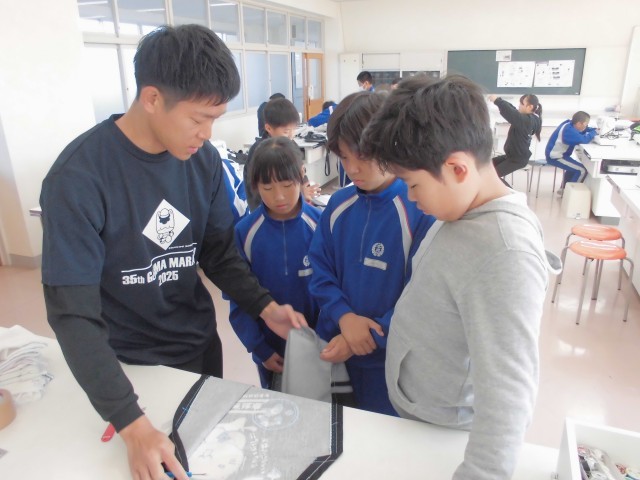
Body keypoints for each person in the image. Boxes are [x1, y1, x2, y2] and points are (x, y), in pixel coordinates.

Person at [40, 25, 306, 480]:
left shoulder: (201, 161)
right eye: (199, 118)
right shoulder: (79, 178)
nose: (207, 134)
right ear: (152, 98)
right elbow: (72, 315)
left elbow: (218, 252)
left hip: (198, 347)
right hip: (126, 368)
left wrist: (263, 307)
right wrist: (130, 422)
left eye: (215, 119)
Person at [360, 75, 550, 479]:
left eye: (413, 184)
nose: (411, 197)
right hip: (421, 416)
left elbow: (508, 394)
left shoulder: (505, 253)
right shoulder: (461, 209)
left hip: (447, 434)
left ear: (457, 168)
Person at [308, 91, 435, 416]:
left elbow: (423, 296)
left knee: (382, 438)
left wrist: (370, 336)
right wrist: (344, 316)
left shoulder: (419, 209)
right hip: (335, 354)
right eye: (343, 157)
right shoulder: (339, 204)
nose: (352, 168)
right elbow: (320, 269)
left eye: (362, 156)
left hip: (391, 364)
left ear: (390, 144)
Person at [230, 137, 322, 389]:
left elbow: (332, 287)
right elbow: (238, 297)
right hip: (270, 351)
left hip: (319, 343)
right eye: (267, 188)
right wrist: (260, 349)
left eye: (287, 185)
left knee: (319, 402)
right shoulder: (245, 232)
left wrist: (325, 336)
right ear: (255, 185)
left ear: (301, 175)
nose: (279, 196)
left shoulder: (320, 224)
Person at [244, 98, 320, 211]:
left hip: (293, 204)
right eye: (286, 131)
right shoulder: (260, 153)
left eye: (293, 130)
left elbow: (300, 173)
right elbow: (259, 190)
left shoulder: (290, 145)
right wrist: (300, 192)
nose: (291, 135)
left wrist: (307, 189)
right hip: (269, 209)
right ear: (268, 128)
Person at [489, 93, 542, 186]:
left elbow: (512, 113)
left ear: (530, 107)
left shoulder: (528, 120)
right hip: (511, 156)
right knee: (485, 166)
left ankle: (509, 193)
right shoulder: (529, 118)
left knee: (491, 177)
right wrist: (499, 100)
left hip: (517, 159)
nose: (519, 106)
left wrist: (497, 101)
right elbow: (513, 109)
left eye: (522, 104)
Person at [545, 111, 598, 195]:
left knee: (574, 167)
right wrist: (594, 132)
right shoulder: (568, 131)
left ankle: (563, 189)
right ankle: (571, 195)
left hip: (559, 155)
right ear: (579, 123)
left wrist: (592, 130)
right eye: (585, 124)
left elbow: (584, 130)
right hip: (555, 157)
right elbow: (584, 140)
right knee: (582, 170)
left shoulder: (569, 124)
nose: (586, 127)